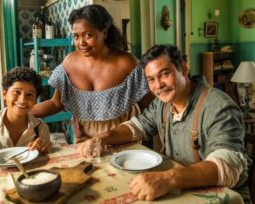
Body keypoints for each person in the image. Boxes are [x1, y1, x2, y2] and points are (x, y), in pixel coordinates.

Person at [78, 45, 250, 202]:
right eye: (151, 80)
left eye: (165, 74)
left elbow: (228, 166)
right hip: (180, 190)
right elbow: (136, 127)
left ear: (183, 68)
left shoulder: (218, 106)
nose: (158, 85)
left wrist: (168, 179)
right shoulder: (162, 103)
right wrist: (102, 138)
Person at [31, 4, 152, 143]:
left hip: (120, 138)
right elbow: (56, 104)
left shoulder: (127, 63)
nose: (81, 42)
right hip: (83, 138)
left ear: (104, 33)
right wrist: (23, 112)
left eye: (88, 35)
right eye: (76, 36)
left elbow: (147, 105)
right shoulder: (69, 63)